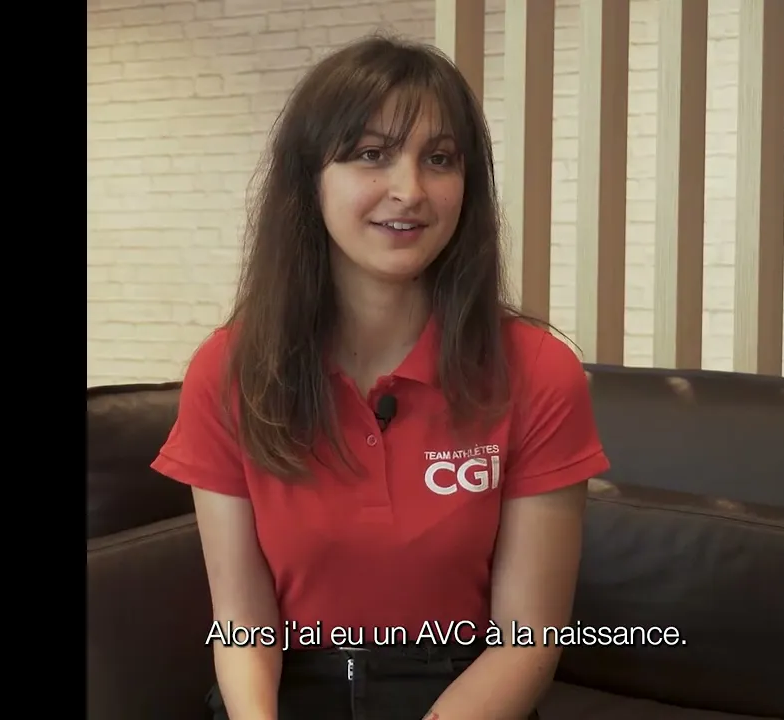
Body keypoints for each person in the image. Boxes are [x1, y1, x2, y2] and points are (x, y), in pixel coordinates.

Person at [151, 33, 610, 720]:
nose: (410, 190)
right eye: (371, 154)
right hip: (285, 692)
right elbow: (243, 624)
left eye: (440, 159)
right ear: (309, 180)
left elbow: (528, 641)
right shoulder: (229, 370)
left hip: (462, 692)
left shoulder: (539, 370)